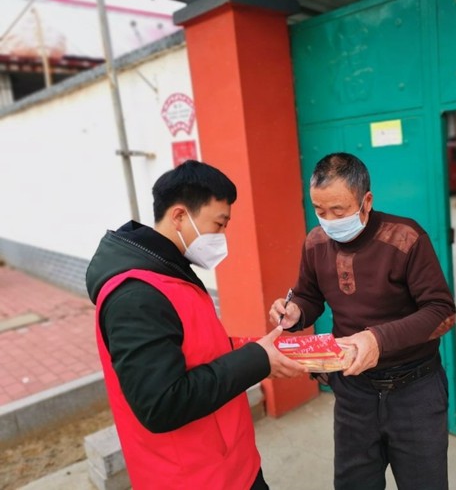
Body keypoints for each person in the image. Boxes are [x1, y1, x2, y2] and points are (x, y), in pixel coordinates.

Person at [86, 160, 307, 490]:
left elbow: (196, 347)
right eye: (219, 224)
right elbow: (161, 403)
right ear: (178, 216)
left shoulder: (169, 271)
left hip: (232, 464)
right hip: (192, 477)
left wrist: (257, 348)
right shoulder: (135, 296)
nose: (222, 237)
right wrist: (257, 360)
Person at [269, 153, 456, 490]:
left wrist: (377, 340)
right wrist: (295, 310)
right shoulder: (315, 243)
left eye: (338, 211)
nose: (328, 221)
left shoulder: (406, 238)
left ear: (366, 201)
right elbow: (309, 295)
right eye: (319, 210)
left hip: (414, 390)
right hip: (353, 391)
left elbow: (441, 311)